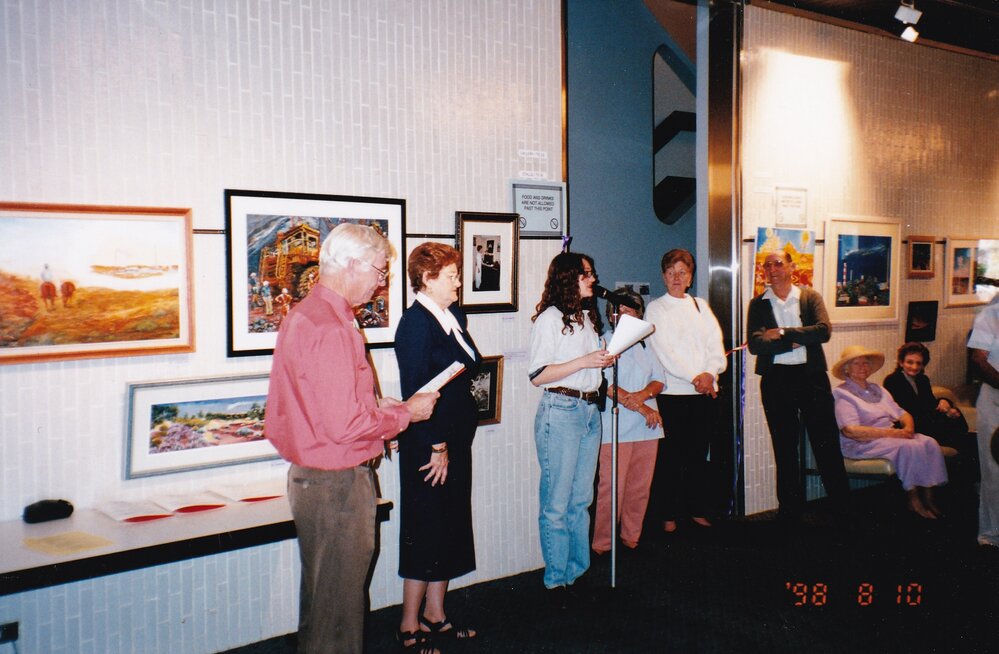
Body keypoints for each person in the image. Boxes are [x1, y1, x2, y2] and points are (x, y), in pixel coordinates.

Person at [265, 223, 439, 654]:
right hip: (337, 485)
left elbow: (315, 407)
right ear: (351, 264)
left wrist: (377, 409)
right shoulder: (331, 327)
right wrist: (405, 414)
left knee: (325, 603)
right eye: (380, 271)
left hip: (316, 479)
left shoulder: (305, 316)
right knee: (339, 612)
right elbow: (344, 425)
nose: (382, 282)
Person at [394, 243, 481, 651]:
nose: (458, 283)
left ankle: (435, 613)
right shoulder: (415, 324)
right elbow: (415, 391)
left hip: (453, 439)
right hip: (429, 444)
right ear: (427, 280)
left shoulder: (452, 316)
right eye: (451, 276)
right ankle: (408, 623)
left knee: (448, 525)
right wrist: (437, 445)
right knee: (425, 527)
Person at [528, 252, 614, 596]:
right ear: (568, 279)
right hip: (561, 410)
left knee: (581, 500)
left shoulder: (587, 317)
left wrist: (603, 359)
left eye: (592, 273)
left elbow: (589, 365)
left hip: (590, 411)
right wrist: (585, 361)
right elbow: (538, 374)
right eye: (586, 274)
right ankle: (556, 580)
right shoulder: (550, 318)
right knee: (557, 503)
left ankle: (577, 572)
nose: (593, 279)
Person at [746, 251, 851, 521]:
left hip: (811, 377)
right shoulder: (758, 304)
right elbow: (756, 344)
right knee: (784, 449)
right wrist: (795, 341)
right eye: (767, 265)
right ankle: (790, 513)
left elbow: (823, 330)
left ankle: (842, 510)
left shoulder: (810, 297)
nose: (772, 269)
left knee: (826, 444)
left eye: (778, 263)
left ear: (792, 267)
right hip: (776, 380)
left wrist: (783, 333)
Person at [646, 248, 726, 533]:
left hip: (703, 394)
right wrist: (695, 376)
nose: (676, 277)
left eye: (682, 272)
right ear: (663, 277)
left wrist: (710, 373)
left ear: (690, 277)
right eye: (671, 272)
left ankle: (696, 509)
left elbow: (715, 344)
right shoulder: (656, 308)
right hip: (672, 395)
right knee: (670, 459)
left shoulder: (701, 306)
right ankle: (667, 514)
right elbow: (665, 352)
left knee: (697, 457)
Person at [830, 345, 948, 519]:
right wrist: (894, 434)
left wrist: (908, 428)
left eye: (866, 363)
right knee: (908, 447)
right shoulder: (842, 393)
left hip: (888, 438)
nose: (863, 366)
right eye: (856, 363)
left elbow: (902, 413)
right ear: (846, 368)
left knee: (929, 442)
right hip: (861, 444)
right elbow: (850, 431)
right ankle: (913, 498)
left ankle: (929, 498)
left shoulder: (878, 389)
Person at [592, 289, 664, 554]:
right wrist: (640, 406)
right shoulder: (604, 342)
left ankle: (631, 537)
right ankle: (602, 543)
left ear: (638, 314)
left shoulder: (647, 344)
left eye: (628, 310)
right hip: (616, 426)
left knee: (640, 487)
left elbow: (659, 380)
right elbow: (604, 384)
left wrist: (642, 398)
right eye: (617, 310)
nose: (622, 314)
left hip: (647, 426)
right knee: (612, 488)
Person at [883, 342, 973, 457]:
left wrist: (944, 401)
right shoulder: (892, 381)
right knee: (963, 439)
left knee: (957, 417)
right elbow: (909, 409)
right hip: (909, 424)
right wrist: (943, 414)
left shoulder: (922, 379)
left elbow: (930, 402)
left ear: (923, 365)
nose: (914, 367)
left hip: (926, 422)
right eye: (910, 362)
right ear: (901, 362)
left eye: (918, 363)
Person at [968, 297, 999, 548]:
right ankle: (991, 533)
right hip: (994, 400)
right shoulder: (989, 316)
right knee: (994, 470)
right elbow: (979, 359)